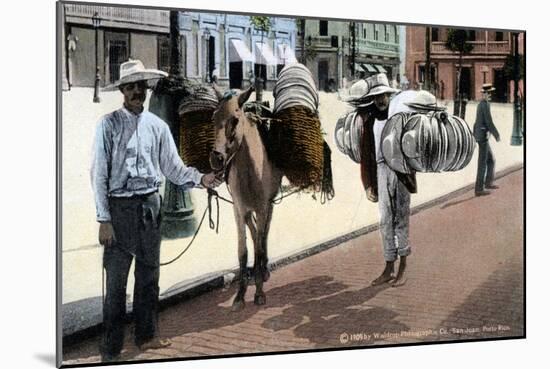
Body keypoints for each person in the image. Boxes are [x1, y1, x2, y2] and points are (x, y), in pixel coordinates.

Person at [92, 59, 222, 362]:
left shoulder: (158, 127)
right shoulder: (107, 125)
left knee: (149, 275)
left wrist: (202, 179)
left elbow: (173, 169)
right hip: (119, 208)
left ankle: (147, 336)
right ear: (122, 90)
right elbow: (98, 174)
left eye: (142, 85)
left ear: (148, 88)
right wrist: (103, 219)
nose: (137, 91)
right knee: (115, 280)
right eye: (131, 86)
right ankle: (111, 346)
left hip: (151, 206)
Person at [359, 73, 416, 288]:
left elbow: (413, 147)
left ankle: (403, 267)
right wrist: (368, 184)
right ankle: (388, 266)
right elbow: (366, 155)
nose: (381, 100)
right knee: (384, 220)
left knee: (401, 218)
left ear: (389, 96)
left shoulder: (400, 117)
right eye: (377, 97)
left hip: (400, 171)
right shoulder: (370, 121)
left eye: (384, 95)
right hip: (381, 171)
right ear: (373, 99)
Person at [473, 83, 500, 196]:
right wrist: (496, 134)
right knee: (483, 163)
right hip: (482, 136)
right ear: (485, 94)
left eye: (490, 93)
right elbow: (489, 122)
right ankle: (479, 189)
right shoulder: (485, 105)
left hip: (481, 134)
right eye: (489, 93)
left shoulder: (482, 104)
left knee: (490, 160)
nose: (490, 95)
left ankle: (488, 182)